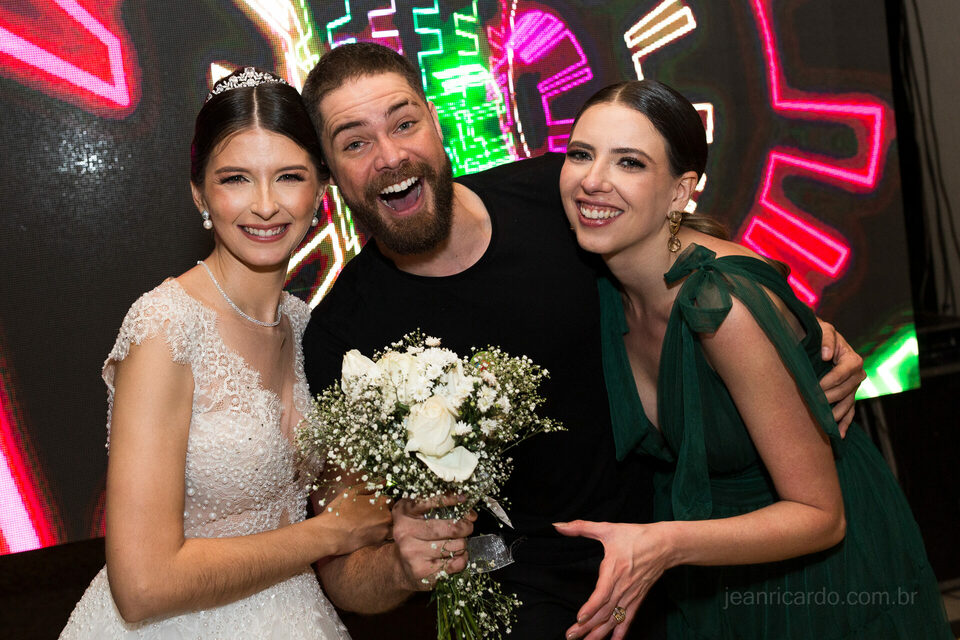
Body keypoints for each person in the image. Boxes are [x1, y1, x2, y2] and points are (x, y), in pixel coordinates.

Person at [299, 43, 866, 639]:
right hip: (532, 607)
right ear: (328, 171)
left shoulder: (562, 191)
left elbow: (700, 264)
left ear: (436, 124)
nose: (390, 156)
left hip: (689, 553)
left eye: (404, 123)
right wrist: (398, 565)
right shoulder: (341, 336)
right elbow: (343, 573)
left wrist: (805, 333)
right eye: (354, 143)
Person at [552, 79, 953, 640]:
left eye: (630, 163)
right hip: (713, 566)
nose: (594, 180)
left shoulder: (721, 305)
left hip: (819, 581)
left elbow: (821, 517)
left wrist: (663, 543)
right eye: (580, 154)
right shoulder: (598, 280)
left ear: (679, 192)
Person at [59, 67, 390, 639]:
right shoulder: (166, 326)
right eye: (236, 178)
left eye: (289, 177)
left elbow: (346, 504)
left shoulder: (304, 325)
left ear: (320, 190)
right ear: (200, 193)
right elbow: (141, 587)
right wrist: (328, 534)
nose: (265, 205)